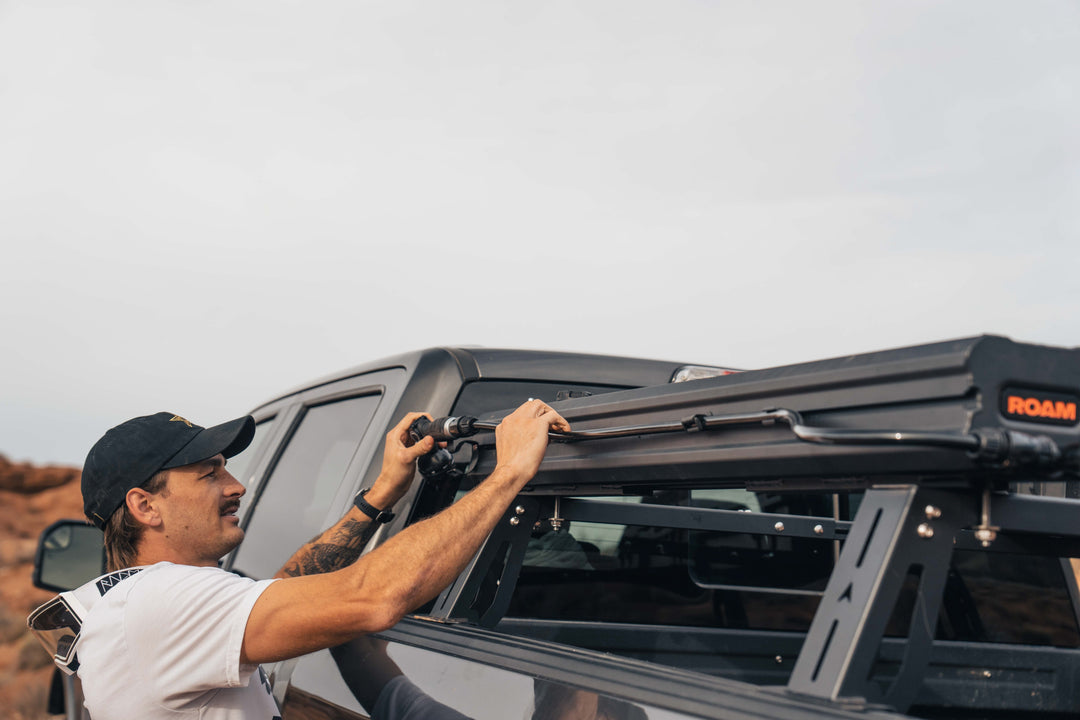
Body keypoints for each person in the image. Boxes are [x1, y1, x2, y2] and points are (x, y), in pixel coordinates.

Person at [31, 400, 569, 720]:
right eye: (210, 473)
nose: (236, 485)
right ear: (145, 506)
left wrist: (381, 493)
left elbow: (288, 583)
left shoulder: (143, 602)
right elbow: (374, 598)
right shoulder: (163, 602)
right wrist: (509, 473)